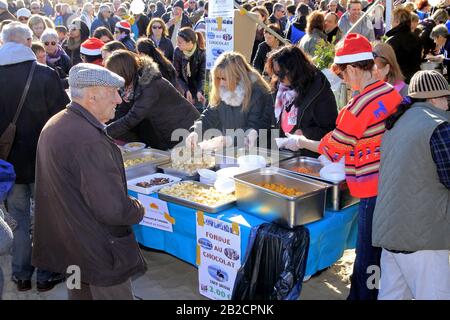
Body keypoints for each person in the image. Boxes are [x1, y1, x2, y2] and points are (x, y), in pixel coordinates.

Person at [280, 34, 403, 300]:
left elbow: (335, 147)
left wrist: (301, 141)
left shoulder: (358, 106)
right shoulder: (390, 93)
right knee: (381, 252)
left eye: (343, 73)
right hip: (392, 181)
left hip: (371, 187)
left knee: (368, 253)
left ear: (355, 68)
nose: (343, 79)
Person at [32, 63, 146, 300]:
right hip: (99, 254)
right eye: (113, 92)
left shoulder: (57, 123)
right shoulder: (87, 139)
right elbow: (112, 209)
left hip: (72, 250)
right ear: (93, 95)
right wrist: (137, 209)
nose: (119, 100)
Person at [0, 22, 69, 292]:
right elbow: (62, 118)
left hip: (8, 164)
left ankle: (21, 274)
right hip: (44, 160)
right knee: (47, 218)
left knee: (17, 219)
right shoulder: (45, 75)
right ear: (28, 42)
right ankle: (47, 275)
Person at [373, 70, 450, 300]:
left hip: (390, 232)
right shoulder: (438, 126)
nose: (448, 103)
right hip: (423, 237)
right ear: (434, 99)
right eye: (447, 98)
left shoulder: (396, 124)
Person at [105, 50, 200, 150]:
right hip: (167, 130)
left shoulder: (150, 85)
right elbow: (122, 112)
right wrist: (102, 123)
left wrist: (104, 132)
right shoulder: (129, 86)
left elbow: (133, 117)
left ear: (123, 71)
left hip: (185, 128)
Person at [186, 52, 274, 149]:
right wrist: (195, 132)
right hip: (231, 151)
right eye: (218, 78)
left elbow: (255, 128)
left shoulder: (258, 92)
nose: (221, 83)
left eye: (224, 78)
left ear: (237, 76)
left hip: (257, 153)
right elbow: (208, 117)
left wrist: (227, 140)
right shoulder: (221, 90)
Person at [267, 45, 337, 157]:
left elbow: (329, 129)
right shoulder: (279, 89)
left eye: (281, 74)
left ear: (295, 70)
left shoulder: (318, 90)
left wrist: (303, 134)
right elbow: (270, 121)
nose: (278, 78)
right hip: (284, 155)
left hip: (309, 157)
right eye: (276, 73)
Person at [386, 7, 422, 84]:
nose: (391, 22)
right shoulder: (417, 38)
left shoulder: (392, 41)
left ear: (397, 21)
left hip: (398, 81)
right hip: (415, 79)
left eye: (392, 20)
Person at [173, 27, 206, 111]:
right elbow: (177, 75)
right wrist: (186, 90)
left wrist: (200, 91)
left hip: (197, 89)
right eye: (177, 42)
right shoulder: (177, 51)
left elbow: (203, 76)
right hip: (183, 88)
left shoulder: (202, 53)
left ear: (190, 42)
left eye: (180, 42)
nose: (177, 44)